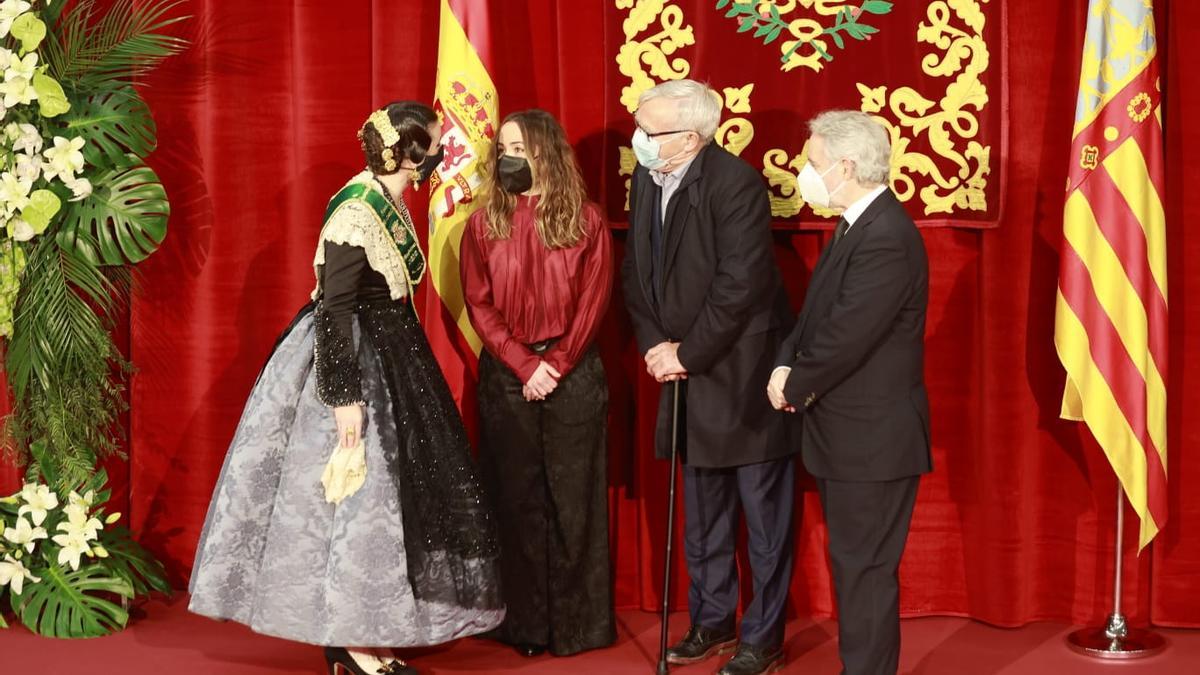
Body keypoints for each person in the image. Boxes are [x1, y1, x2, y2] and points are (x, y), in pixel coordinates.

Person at [188, 102, 505, 675]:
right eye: (432, 145)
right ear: (409, 154)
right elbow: (334, 309)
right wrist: (343, 397)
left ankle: (363, 634)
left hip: (393, 350)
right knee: (358, 504)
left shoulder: (386, 199)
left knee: (386, 505)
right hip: (354, 360)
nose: (438, 153)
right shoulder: (356, 212)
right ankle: (352, 642)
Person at [620, 79, 796, 675]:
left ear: (689, 136)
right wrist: (654, 346)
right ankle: (713, 619)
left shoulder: (734, 183)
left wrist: (685, 352)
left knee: (762, 515)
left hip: (738, 369)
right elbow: (636, 273)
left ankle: (764, 635)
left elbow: (741, 284)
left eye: (649, 130)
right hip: (680, 366)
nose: (638, 140)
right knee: (702, 509)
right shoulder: (647, 177)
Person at [768, 110, 931, 675]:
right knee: (853, 565)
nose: (803, 174)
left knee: (863, 570)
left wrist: (796, 385)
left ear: (845, 165)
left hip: (873, 441)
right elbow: (815, 318)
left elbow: (847, 336)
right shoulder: (854, 225)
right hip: (848, 435)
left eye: (811, 163)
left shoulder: (886, 235)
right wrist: (784, 364)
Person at [460, 109, 616, 657]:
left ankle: (579, 627)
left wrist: (557, 364)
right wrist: (525, 366)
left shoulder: (588, 221)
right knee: (516, 498)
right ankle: (522, 625)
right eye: (504, 147)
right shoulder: (483, 224)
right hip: (508, 377)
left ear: (547, 152)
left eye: (521, 148)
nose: (510, 158)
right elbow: (479, 303)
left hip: (573, 374)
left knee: (575, 501)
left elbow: (595, 302)